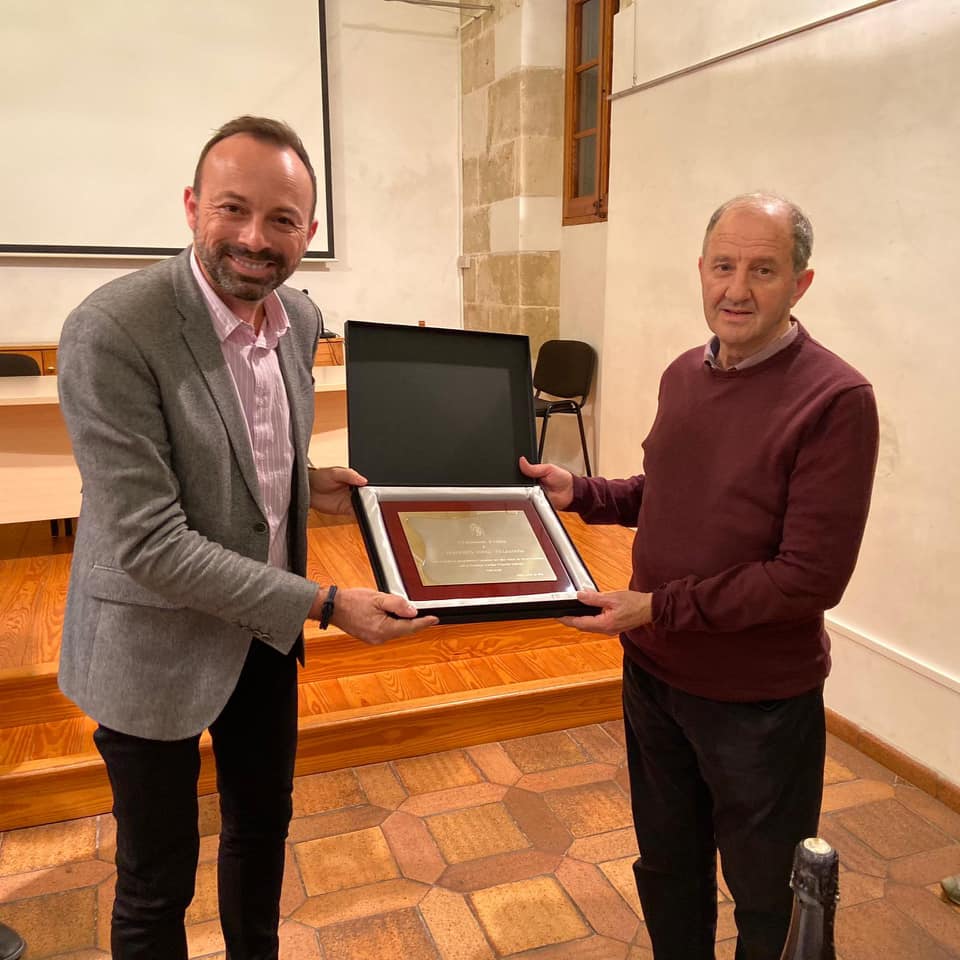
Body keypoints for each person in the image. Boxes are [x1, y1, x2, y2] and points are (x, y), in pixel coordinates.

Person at [57, 116, 437, 958]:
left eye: (283, 220)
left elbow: (247, 451)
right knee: (156, 881)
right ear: (193, 206)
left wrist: (311, 488)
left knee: (262, 836)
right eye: (233, 209)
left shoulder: (298, 317)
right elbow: (149, 539)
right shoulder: (112, 328)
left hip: (262, 640)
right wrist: (328, 603)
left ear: (309, 230)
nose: (255, 240)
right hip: (150, 644)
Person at [522, 193, 879, 959]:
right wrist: (579, 492)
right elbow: (667, 493)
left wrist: (656, 608)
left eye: (763, 269)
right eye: (723, 266)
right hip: (654, 680)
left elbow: (807, 579)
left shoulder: (836, 400)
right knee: (668, 869)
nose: (737, 289)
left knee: (766, 898)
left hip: (756, 705)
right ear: (701, 270)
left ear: (800, 284)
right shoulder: (685, 372)